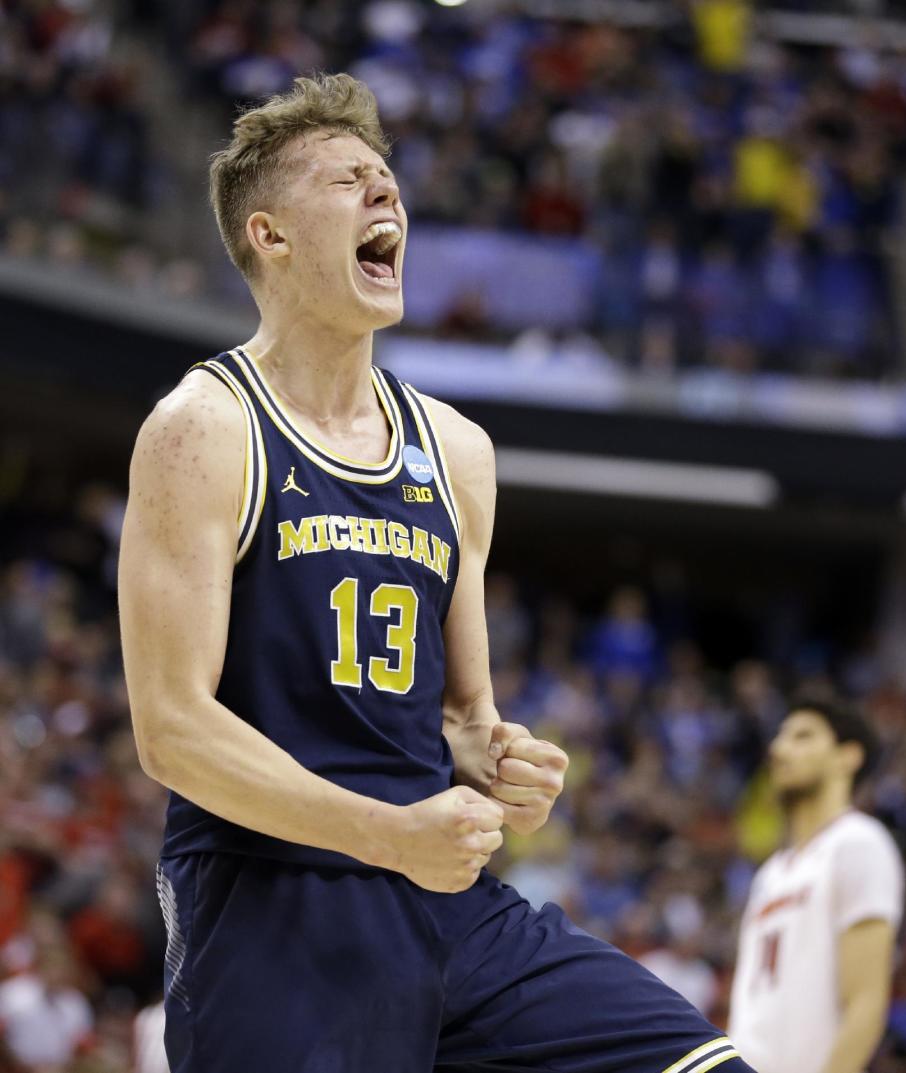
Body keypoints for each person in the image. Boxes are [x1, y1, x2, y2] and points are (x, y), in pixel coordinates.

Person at [118, 73, 753, 1073]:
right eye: (349, 183)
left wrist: (507, 765)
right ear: (270, 236)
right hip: (273, 903)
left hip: (447, 903)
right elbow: (171, 730)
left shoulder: (455, 449)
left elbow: (463, 717)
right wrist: (386, 833)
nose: (387, 199)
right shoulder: (205, 426)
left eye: (389, 183)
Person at [729, 698, 905, 1073]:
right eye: (779, 738)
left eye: (803, 736)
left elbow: (866, 1003)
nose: (779, 749)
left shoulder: (858, 842)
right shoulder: (770, 873)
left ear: (848, 756)